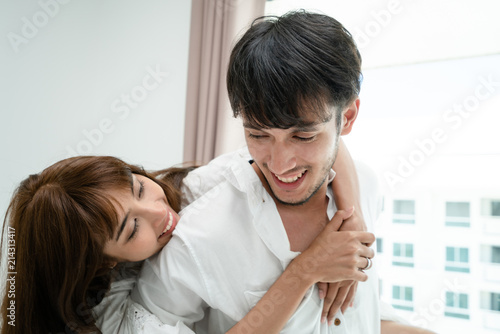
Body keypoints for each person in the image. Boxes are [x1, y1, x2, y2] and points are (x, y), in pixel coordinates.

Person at [131, 10, 434, 334]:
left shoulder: (365, 188)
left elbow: (356, 317)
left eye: (303, 136)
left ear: (347, 117)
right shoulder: (204, 232)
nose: (280, 163)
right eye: (258, 135)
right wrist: (303, 272)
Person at [0, 149, 370, 334]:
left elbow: (326, 144)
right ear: (103, 263)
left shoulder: (188, 190)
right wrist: (305, 270)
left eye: (140, 187)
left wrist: (351, 224)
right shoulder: (119, 321)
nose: (158, 211)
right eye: (131, 229)